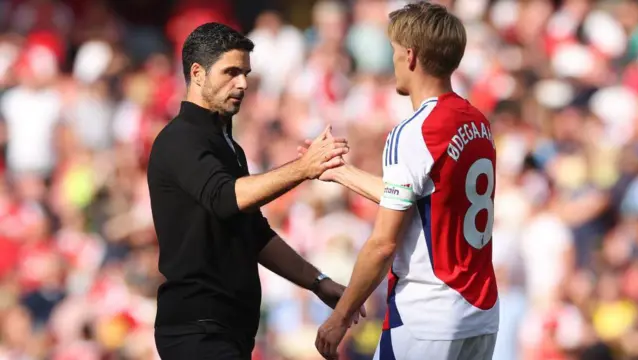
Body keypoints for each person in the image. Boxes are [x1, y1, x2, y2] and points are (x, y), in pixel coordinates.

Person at [147, 23, 363, 360]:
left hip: (228, 330)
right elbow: (225, 198)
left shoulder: (228, 145)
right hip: (197, 329)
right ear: (197, 73)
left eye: (245, 73)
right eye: (231, 72)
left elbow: (254, 234)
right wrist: (303, 168)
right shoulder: (180, 139)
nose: (243, 83)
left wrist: (319, 282)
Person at [301, 3, 499, 359]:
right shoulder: (477, 122)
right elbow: (418, 197)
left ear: (410, 56)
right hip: (479, 312)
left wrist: (341, 316)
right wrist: (339, 171)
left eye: (393, 52)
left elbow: (383, 243)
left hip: (426, 316)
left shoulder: (413, 132)